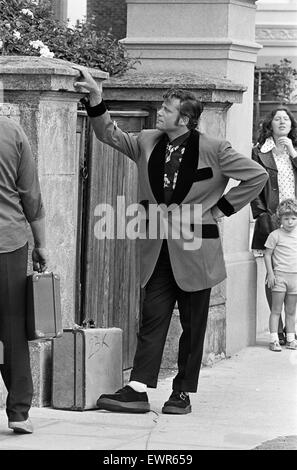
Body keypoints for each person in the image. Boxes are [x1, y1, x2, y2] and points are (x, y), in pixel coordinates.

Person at [74, 66, 268, 415]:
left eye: (166, 109)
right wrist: (96, 99)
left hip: (197, 251)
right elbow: (110, 135)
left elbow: (257, 175)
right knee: (152, 316)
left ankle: (182, 393)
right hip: (155, 247)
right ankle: (137, 388)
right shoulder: (147, 140)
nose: (159, 112)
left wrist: (222, 208)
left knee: (193, 326)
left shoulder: (215, 148)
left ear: (186, 119)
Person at [0, 116, 47, 434]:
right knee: (11, 328)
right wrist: (42, 244)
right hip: (8, 242)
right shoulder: (11, 132)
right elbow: (31, 195)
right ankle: (18, 412)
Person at [251, 107, 297, 345]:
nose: (282, 121)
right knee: (275, 273)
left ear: (291, 125)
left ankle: (291, 328)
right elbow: (253, 185)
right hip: (272, 219)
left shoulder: (294, 151)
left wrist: (293, 153)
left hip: (295, 218)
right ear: (270, 124)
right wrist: (262, 215)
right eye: (277, 118)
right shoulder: (260, 153)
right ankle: (276, 329)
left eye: (286, 118)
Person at [264, 199, 297, 352]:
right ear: (280, 219)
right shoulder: (275, 235)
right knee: (276, 310)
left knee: (291, 311)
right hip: (279, 277)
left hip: (294, 277)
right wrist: (270, 274)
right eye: (286, 218)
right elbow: (267, 254)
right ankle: (274, 340)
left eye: (293, 218)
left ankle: (291, 339)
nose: (290, 222)